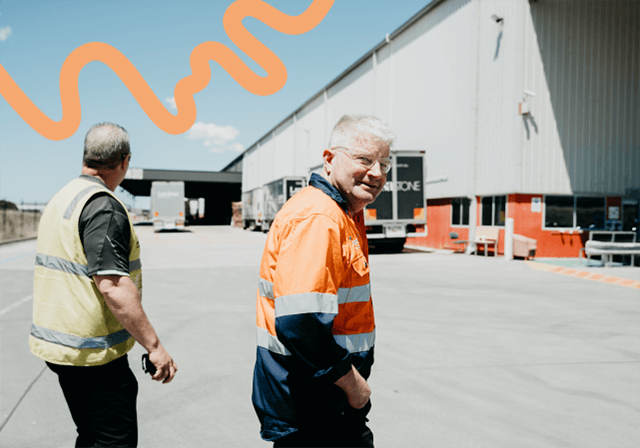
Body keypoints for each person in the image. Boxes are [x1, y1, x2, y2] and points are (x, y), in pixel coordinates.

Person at [30, 122, 178, 447]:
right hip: (92, 356)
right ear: (124, 161)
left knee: (91, 434)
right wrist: (155, 347)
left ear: (87, 157)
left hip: (59, 347)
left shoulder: (62, 198)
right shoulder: (103, 207)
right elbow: (112, 285)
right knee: (113, 441)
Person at [252, 114, 395, 447]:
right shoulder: (320, 217)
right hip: (314, 405)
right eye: (364, 159)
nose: (376, 173)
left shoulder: (342, 213)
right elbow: (301, 323)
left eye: (384, 164)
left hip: (321, 401)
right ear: (329, 160)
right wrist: (355, 387)